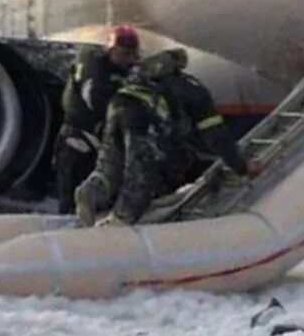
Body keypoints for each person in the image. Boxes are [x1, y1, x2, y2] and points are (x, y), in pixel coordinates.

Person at [74, 48, 261, 227]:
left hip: (117, 105)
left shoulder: (147, 78)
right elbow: (216, 136)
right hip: (142, 115)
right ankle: (121, 222)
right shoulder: (193, 91)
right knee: (141, 173)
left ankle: (91, 191)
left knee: (110, 165)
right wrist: (242, 167)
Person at [54, 24, 140, 214]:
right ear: (111, 50)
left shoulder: (125, 72)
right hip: (80, 139)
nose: (130, 59)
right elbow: (94, 100)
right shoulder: (96, 70)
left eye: (133, 54)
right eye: (124, 53)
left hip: (100, 140)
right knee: (73, 199)